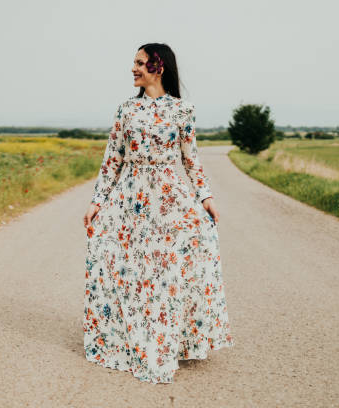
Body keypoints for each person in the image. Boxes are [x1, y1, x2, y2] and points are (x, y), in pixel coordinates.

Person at [82, 43, 235, 384]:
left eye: (139, 63)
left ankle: (170, 339)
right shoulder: (125, 111)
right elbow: (113, 160)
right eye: (134, 63)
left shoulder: (182, 111)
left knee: (166, 269)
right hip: (130, 197)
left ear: (158, 66)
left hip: (169, 197)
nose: (133, 69)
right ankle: (128, 336)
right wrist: (97, 201)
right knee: (131, 267)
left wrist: (205, 196)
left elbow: (190, 158)